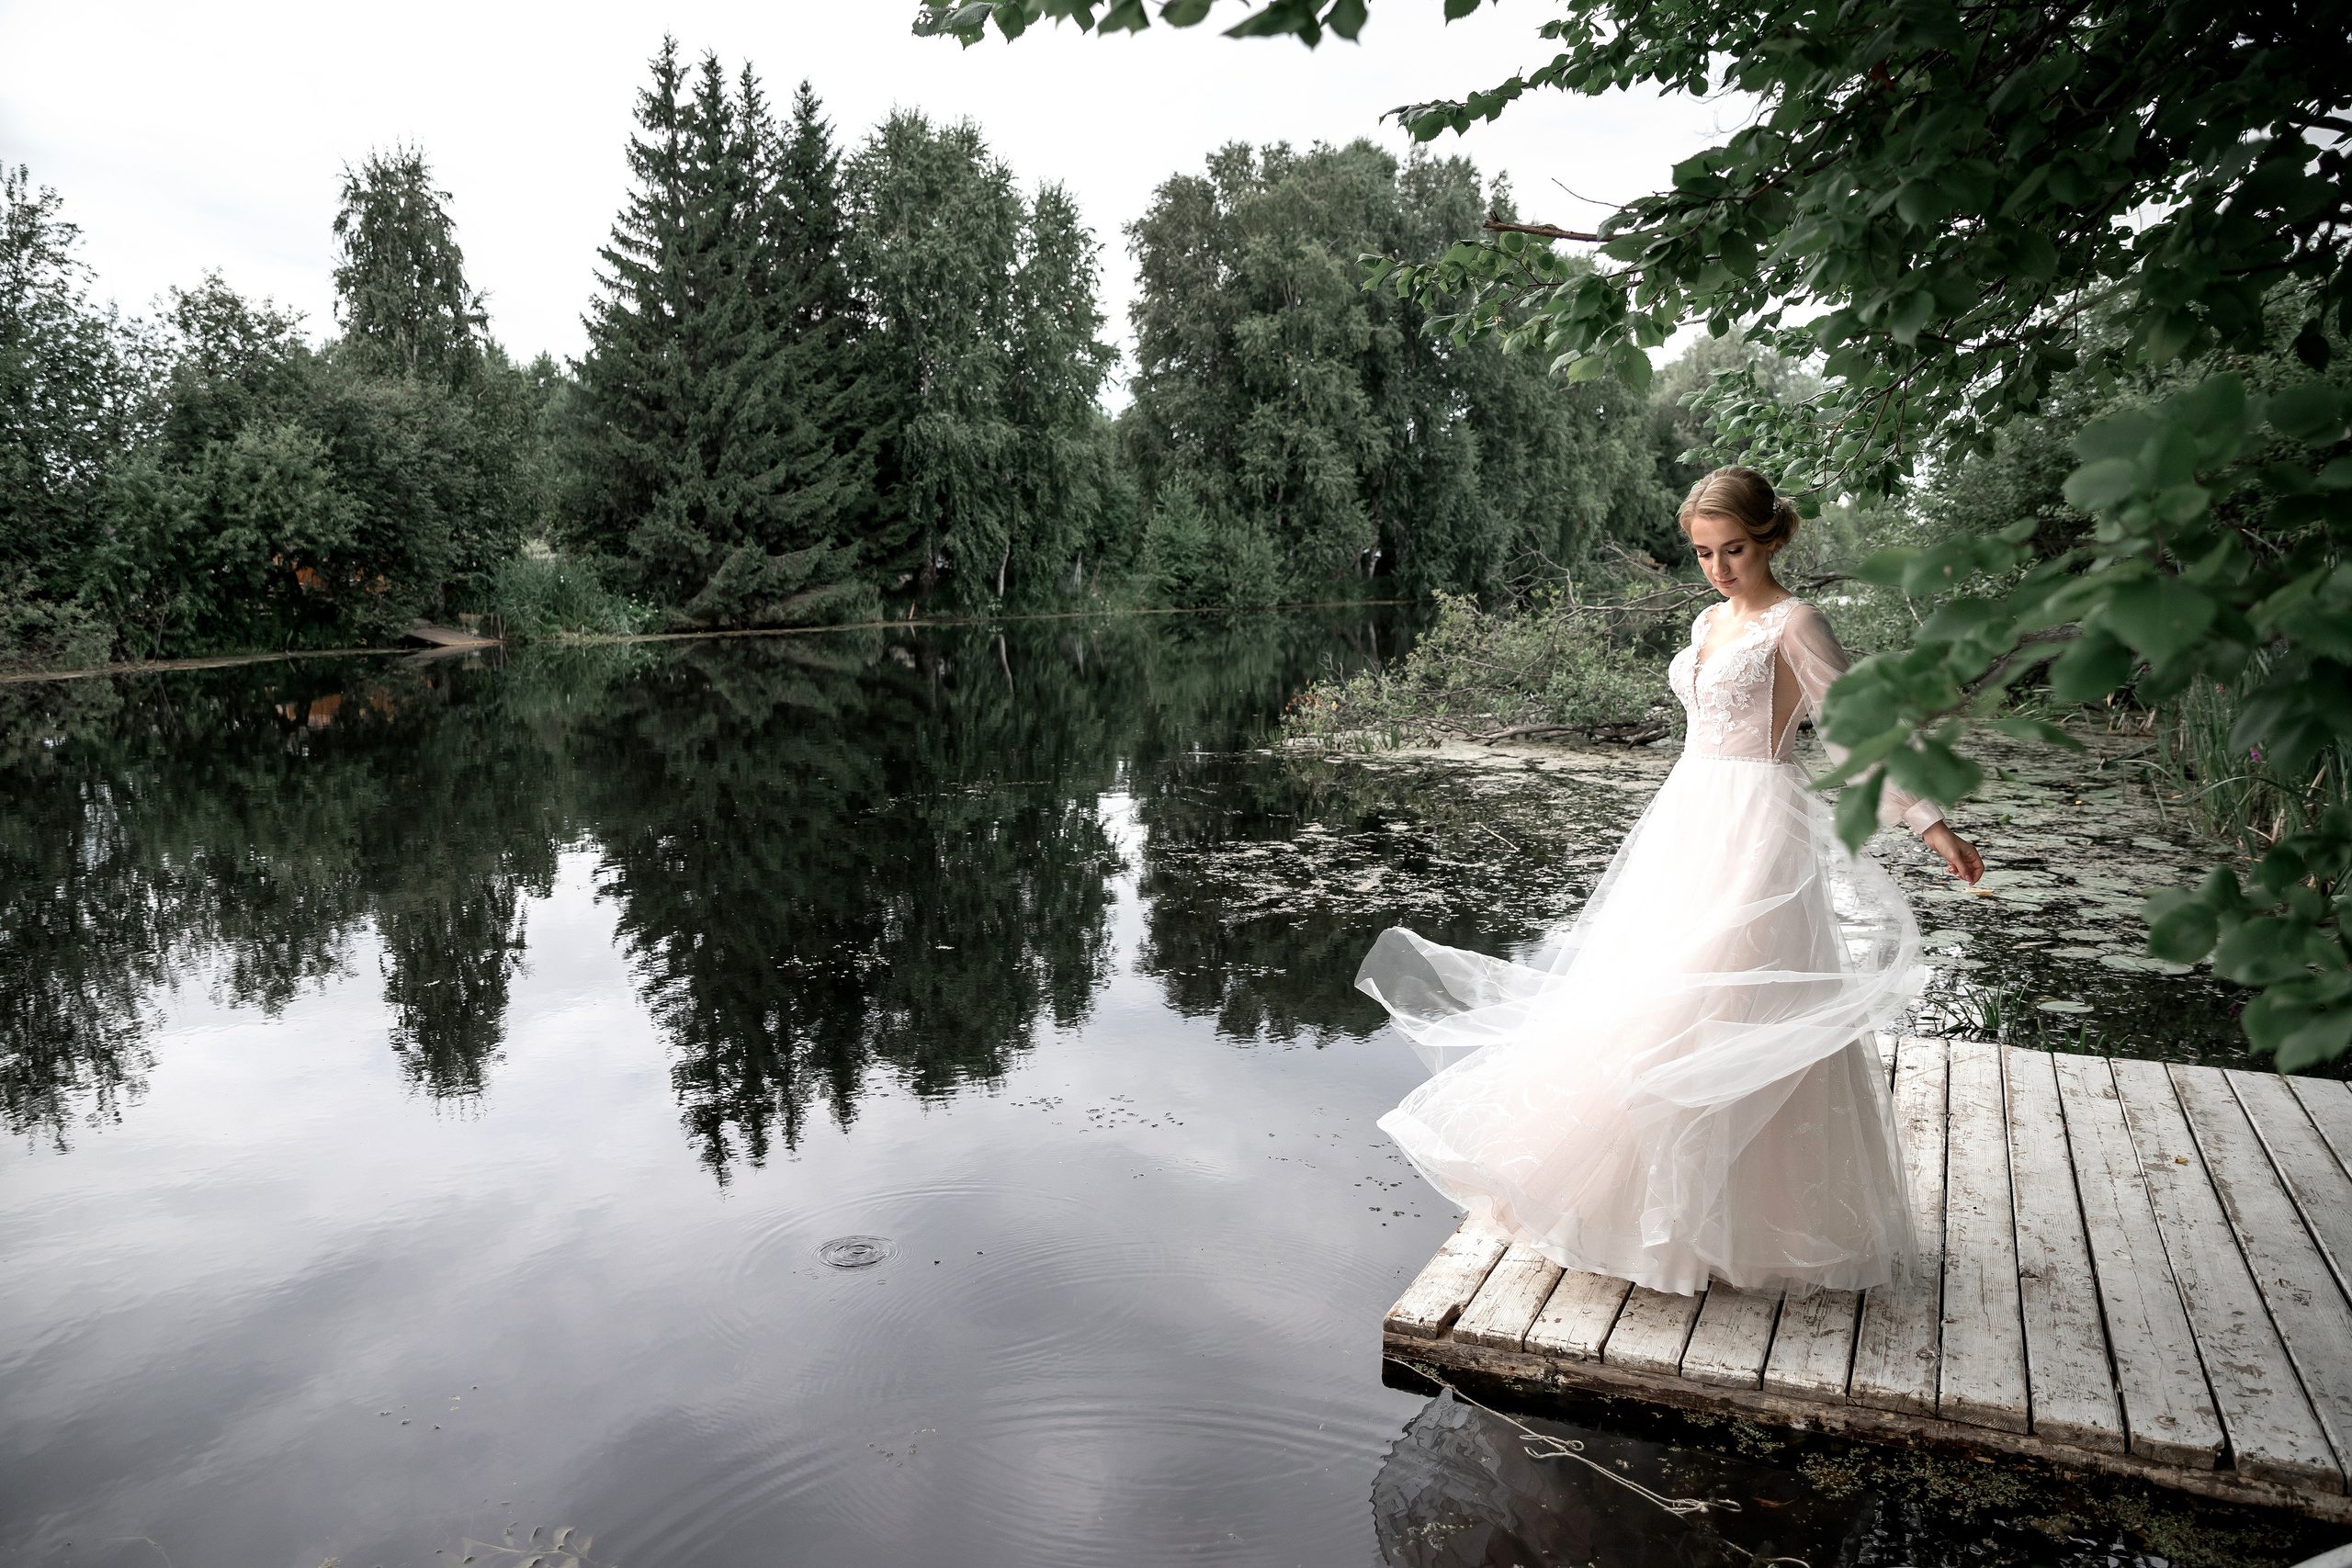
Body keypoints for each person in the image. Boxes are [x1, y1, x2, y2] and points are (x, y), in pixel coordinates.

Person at [1355, 466, 1984, 1295]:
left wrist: (1929, 820)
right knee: (1652, 998)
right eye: (1703, 553)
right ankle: (1646, 1211)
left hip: (1759, 822)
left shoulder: (1797, 623)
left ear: (1770, 539)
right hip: (1687, 818)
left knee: (1730, 1002)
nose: (1720, 569)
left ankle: (1754, 1226)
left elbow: (1858, 732)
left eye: (1734, 550)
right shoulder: (1708, 619)